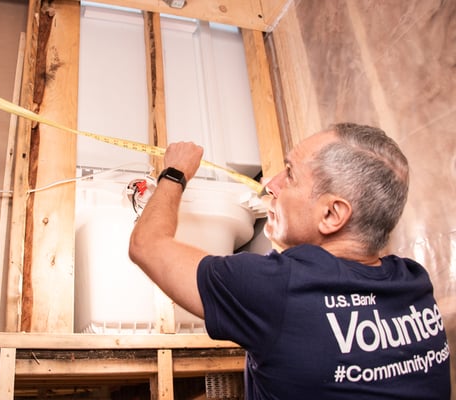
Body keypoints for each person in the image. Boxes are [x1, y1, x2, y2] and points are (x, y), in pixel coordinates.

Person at [128, 123, 451, 399]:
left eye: (291, 175)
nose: (271, 183)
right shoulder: (413, 281)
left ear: (331, 214)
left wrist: (175, 172)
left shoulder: (277, 287)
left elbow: (148, 244)